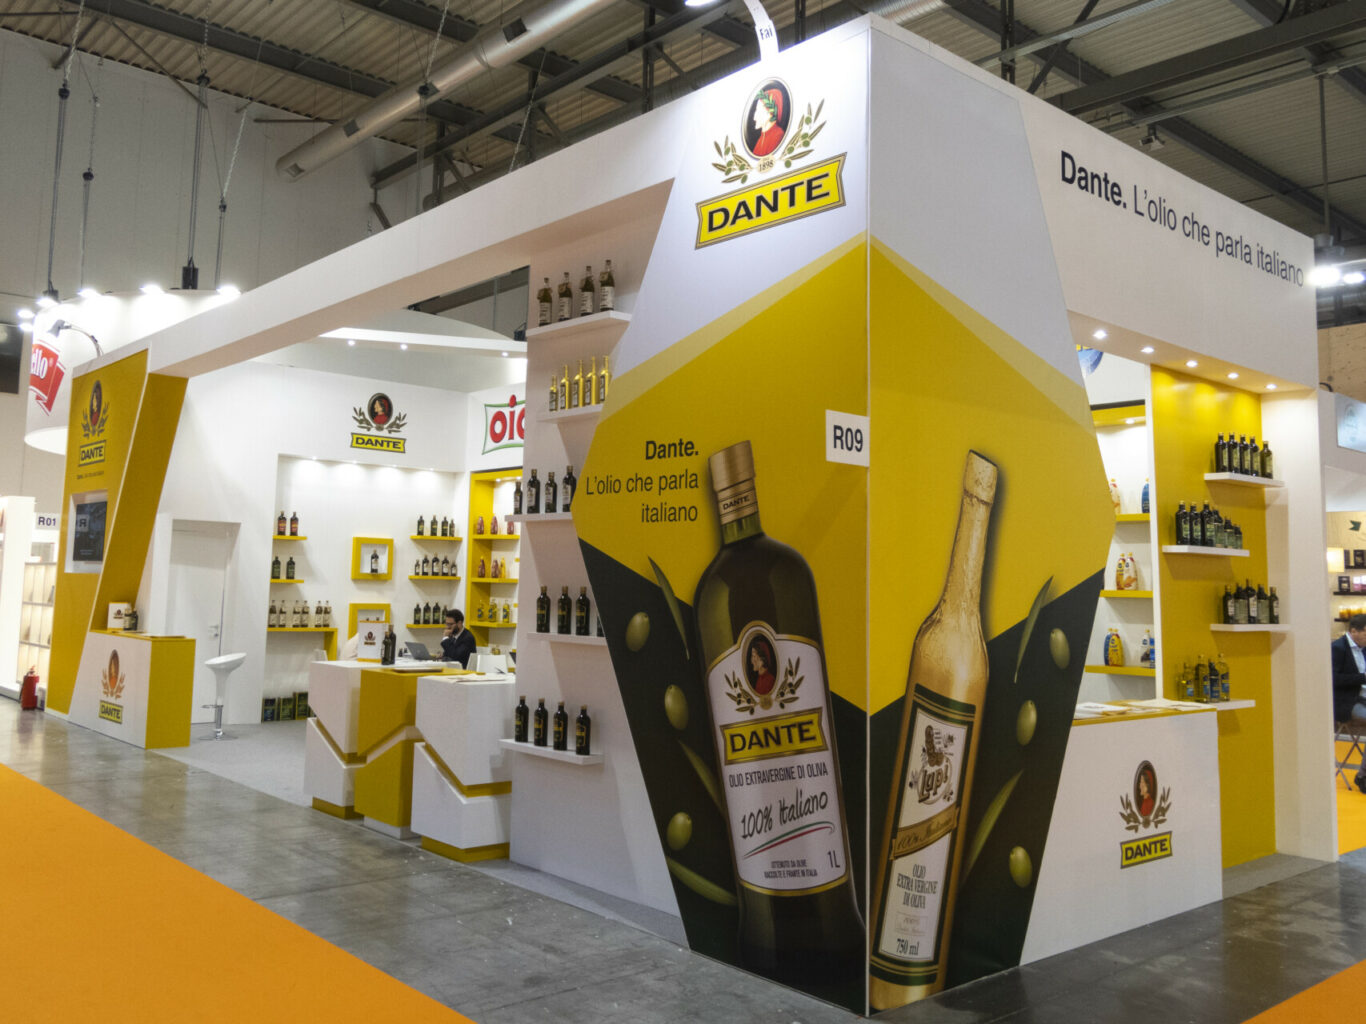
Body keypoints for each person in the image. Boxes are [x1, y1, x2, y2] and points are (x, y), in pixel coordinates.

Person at [1331, 614, 1366, 791]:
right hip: (1346, 703)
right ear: (1354, 631)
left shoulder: (1364, 648)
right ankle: (1363, 776)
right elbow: (1333, 679)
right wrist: (1362, 678)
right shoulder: (1338, 648)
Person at [750, 88, 785, 158]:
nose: (754, 117)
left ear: (769, 113)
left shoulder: (777, 135)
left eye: (758, 110)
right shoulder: (761, 138)